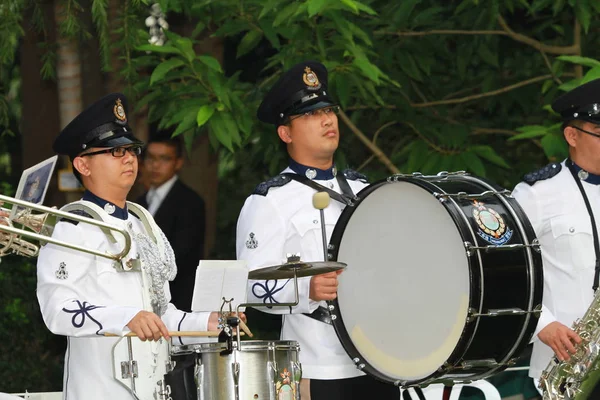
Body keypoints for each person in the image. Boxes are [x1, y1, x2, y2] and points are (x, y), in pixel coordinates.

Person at [36, 93, 232, 399]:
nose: (129, 158)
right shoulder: (71, 227)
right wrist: (125, 317)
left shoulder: (143, 223)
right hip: (99, 391)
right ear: (82, 165)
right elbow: (57, 310)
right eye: (114, 151)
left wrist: (205, 322)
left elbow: (159, 313)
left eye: (131, 149)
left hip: (153, 388)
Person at [236, 61, 399, 399]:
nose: (327, 119)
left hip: (382, 359)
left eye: (328, 110)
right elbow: (248, 287)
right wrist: (305, 289)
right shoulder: (270, 201)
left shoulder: (364, 189)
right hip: (319, 366)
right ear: (286, 133)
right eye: (311, 115)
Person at [512, 78, 600, 395]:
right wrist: (542, 324)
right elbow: (506, 269)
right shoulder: (538, 193)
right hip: (565, 366)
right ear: (571, 135)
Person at [136, 132, 206, 311]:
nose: (155, 165)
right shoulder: (140, 202)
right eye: (150, 158)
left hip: (179, 299)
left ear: (178, 163)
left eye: (164, 159)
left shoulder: (190, 202)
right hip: (143, 298)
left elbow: (180, 255)